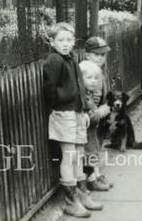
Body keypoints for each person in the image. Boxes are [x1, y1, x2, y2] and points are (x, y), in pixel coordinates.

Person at [42, 22, 102, 217]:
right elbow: (49, 90)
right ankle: (70, 200)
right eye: (61, 40)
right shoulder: (54, 60)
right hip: (63, 113)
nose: (66, 44)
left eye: (69, 40)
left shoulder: (71, 59)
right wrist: (60, 104)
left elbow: (79, 88)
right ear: (51, 41)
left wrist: (83, 110)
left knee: (78, 153)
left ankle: (81, 194)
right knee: (69, 156)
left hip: (76, 112)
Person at [80, 36, 113, 192]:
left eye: (103, 55)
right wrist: (97, 112)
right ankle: (92, 178)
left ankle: (96, 174)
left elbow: (102, 94)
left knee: (95, 145)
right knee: (89, 148)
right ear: (87, 55)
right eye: (97, 54)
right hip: (88, 115)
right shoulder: (85, 70)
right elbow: (86, 97)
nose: (101, 58)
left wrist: (105, 106)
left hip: (97, 114)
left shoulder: (99, 70)